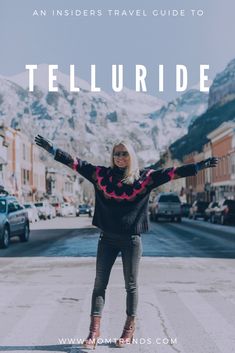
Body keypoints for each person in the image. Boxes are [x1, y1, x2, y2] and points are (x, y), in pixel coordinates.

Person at [35, 134, 218, 349]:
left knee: (130, 286)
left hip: (131, 240)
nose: (120, 157)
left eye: (124, 153)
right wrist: (53, 149)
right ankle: (93, 332)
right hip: (107, 239)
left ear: (131, 156)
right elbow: (76, 163)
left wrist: (200, 166)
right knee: (99, 285)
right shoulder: (100, 175)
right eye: (116, 153)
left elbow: (173, 173)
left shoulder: (145, 178)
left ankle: (128, 330)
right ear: (112, 157)